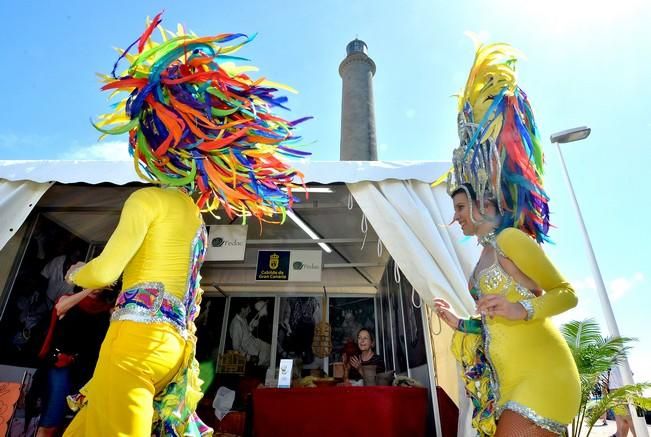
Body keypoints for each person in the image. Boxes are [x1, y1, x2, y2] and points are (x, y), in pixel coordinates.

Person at [59, 12, 308, 437]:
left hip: (135, 343)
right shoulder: (194, 216)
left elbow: (104, 271)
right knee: (84, 428)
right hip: (173, 350)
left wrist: (73, 275)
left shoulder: (146, 199)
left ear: (153, 144)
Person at [433, 42, 580, 436]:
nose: (457, 217)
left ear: (483, 201)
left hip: (542, 375)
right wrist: (458, 322)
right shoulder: (482, 258)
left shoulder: (511, 239)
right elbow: (492, 324)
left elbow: (567, 293)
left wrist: (523, 311)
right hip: (508, 383)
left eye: (461, 208)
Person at [229, 302, 271, 366]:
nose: (250, 311)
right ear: (242, 309)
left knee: (269, 347)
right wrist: (249, 357)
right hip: (248, 348)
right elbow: (236, 347)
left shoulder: (243, 318)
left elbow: (246, 332)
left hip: (253, 341)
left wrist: (252, 326)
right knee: (266, 357)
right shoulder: (237, 324)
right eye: (248, 309)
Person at [609, 366, 637, 437]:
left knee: (628, 418)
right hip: (626, 388)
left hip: (617, 389)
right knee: (625, 419)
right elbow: (631, 373)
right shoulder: (619, 358)